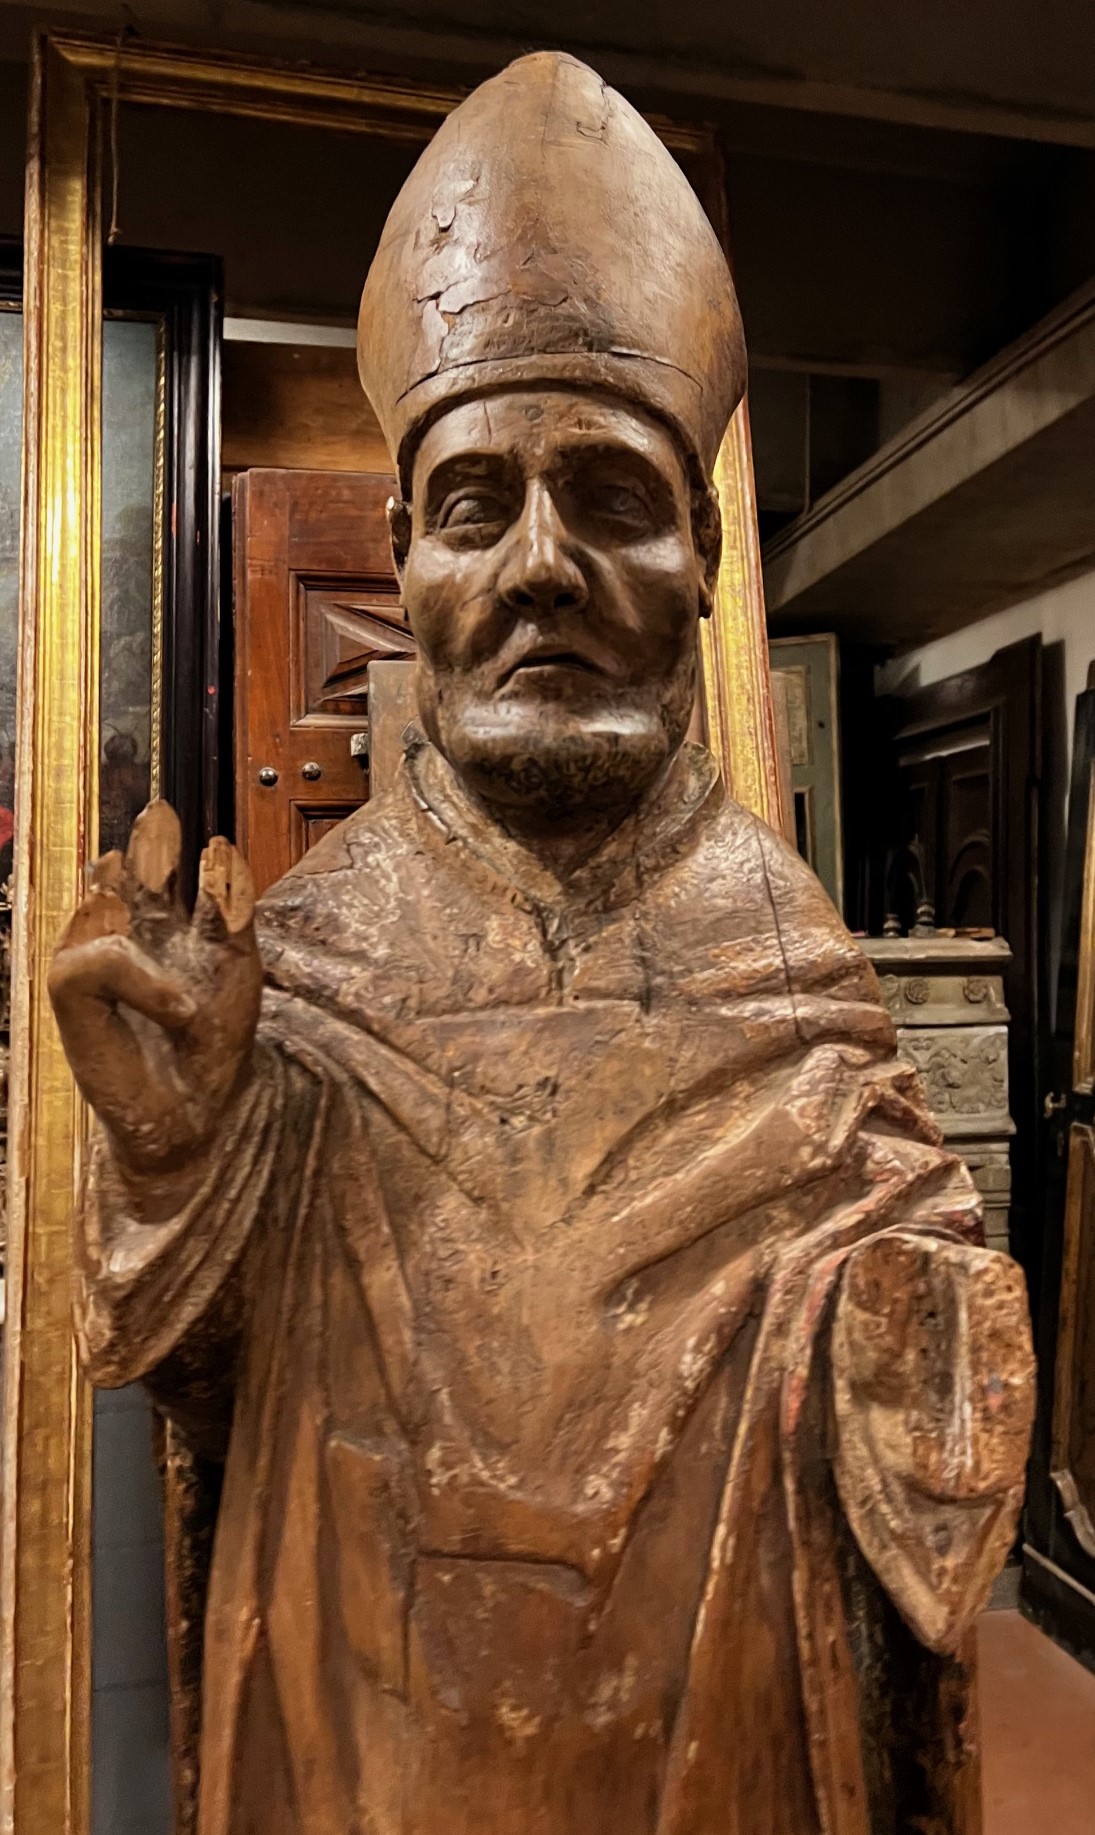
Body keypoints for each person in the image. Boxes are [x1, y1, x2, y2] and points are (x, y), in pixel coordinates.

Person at [49, 51, 1034, 1835]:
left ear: (704, 552)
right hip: (360, 1747)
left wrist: (919, 1333)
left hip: (719, 1759)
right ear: (407, 559)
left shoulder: (797, 970)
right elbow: (188, 1378)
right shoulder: (301, 974)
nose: (540, 567)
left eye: (611, 497)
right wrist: (180, 1155)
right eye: (475, 506)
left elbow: (925, 1369)